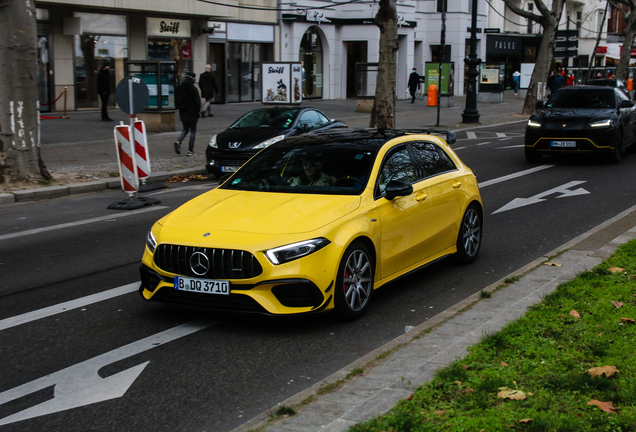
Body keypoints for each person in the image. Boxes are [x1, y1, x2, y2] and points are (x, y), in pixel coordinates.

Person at [174, 71, 201, 156]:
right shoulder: (193, 88)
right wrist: (198, 111)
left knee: (185, 129)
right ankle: (190, 150)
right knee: (193, 131)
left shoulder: (180, 87)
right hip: (192, 112)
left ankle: (179, 141)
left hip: (183, 112)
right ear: (193, 78)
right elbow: (197, 102)